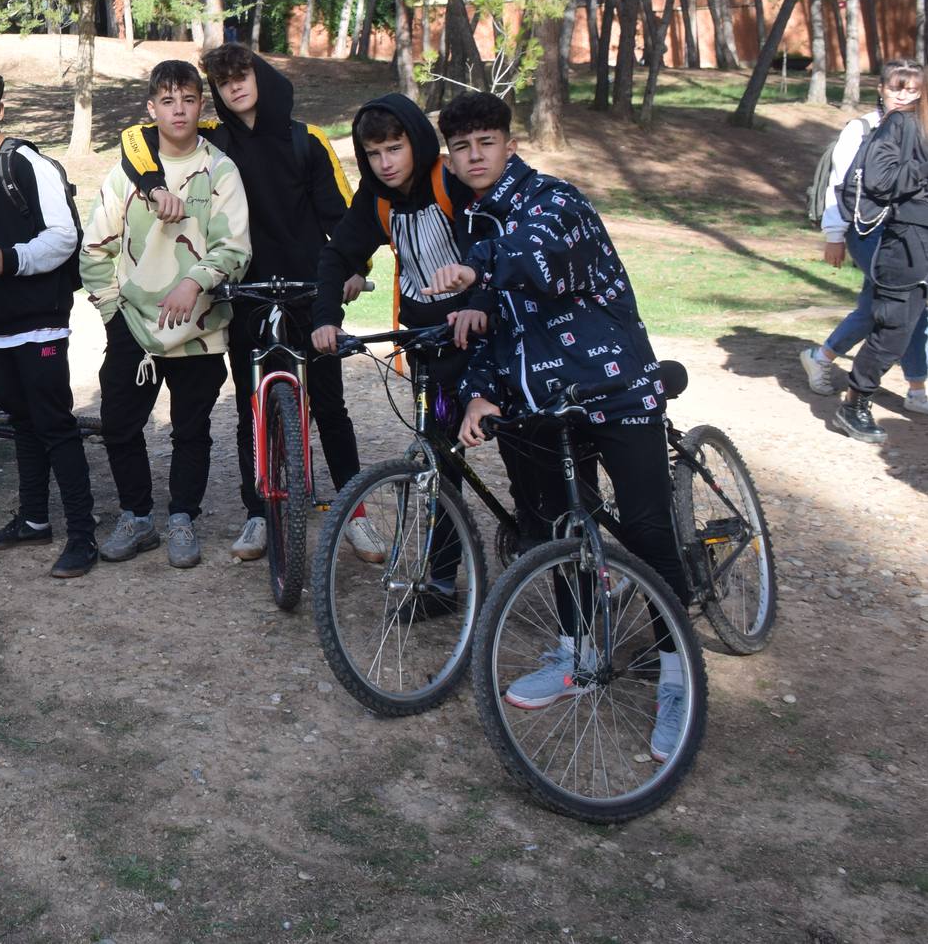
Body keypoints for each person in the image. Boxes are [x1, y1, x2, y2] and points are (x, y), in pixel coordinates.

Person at [432, 90, 690, 762]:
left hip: (611, 387)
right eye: (460, 148)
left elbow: (538, 257)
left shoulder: (554, 201)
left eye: (484, 141)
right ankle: (577, 654)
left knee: (646, 530)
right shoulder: (474, 223)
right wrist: (480, 394)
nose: (473, 155)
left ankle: (677, 675)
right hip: (535, 405)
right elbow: (491, 324)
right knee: (548, 527)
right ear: (451, 160)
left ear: (507, 143)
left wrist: (476, 272)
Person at [117, 43, 366, 563]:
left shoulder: (308, 139)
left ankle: (355, 512)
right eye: (223, 79)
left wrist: (354, 270)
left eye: (241, 74)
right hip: (242, 292)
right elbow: (134, 137)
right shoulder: (213, 136)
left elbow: (342, 218)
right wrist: (150, 183)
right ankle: (257, 513)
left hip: (309, 290)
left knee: (331, 404)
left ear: (262, 74)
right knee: (251, 408)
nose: (234, 85)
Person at [310, 94, 496, 584]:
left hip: (484, 339)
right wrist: (325, 316)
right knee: (438, 459)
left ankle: (544, 549)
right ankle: (440, 577)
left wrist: (477, 306)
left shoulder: (449, 181)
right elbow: (337, 257)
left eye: (394, 148)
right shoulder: (376, 198)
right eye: (373, 154)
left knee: (519, 448)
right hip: (429, 346)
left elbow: (489, 251)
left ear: (416, 140)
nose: (385, 163)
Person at [81, 59, 251, 569]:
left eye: (189, 99)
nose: (179, 110)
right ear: (151, 108)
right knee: (120, 426)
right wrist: (113, 313)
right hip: (134, 325)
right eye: (168, 100)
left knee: (191, 430)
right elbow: (95, 248)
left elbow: (234, 248)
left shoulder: (221, 170)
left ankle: (182, 518)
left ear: (202, 106)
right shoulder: (128, 172)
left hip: (199, 330)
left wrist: (193, 281)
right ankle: (137, 517)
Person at [0, 66, 96, 579]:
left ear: (0, 110)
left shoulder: (27, 162)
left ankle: (83, 536)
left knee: (55, 425)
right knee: (22, 424)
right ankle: (34, 520)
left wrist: (14, 259)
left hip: (39, 325)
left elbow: (64, 235)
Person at [801, 60, 927, 413]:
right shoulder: (862, 128)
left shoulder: (918, 128)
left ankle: (916, 385)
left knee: (906, 305)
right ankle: (823, 356)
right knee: (893, 306)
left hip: (903, 235)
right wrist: (834, 235)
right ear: (881, 89)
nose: (904, 95)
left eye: (913, 89)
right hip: (866, 231)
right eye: (896, 87)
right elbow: (837, 186)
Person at [832, 80, 928, 445]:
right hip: (909, 241)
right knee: (894, 330)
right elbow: (880, 181)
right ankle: (854, 404)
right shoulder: (901, 123)